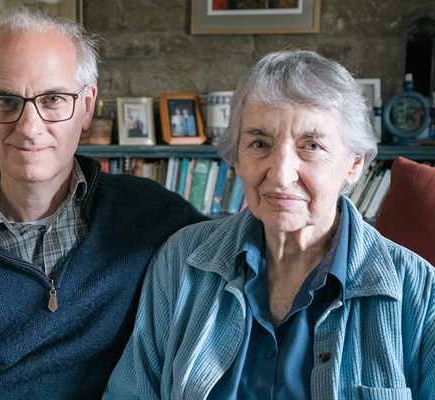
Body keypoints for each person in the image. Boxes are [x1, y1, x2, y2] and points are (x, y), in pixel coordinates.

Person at [0, 7, 206, 399]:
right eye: (5, 100)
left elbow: (247, 265)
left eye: (52, 99)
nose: (29, 127)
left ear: (87, 107)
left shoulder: (153, 216)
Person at [103, 50, 435, 399]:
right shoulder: (180, 260)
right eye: (260, 144)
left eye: (311, 146)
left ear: (354, 164)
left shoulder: (421, 293)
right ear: (236, 158)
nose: (280, 175)